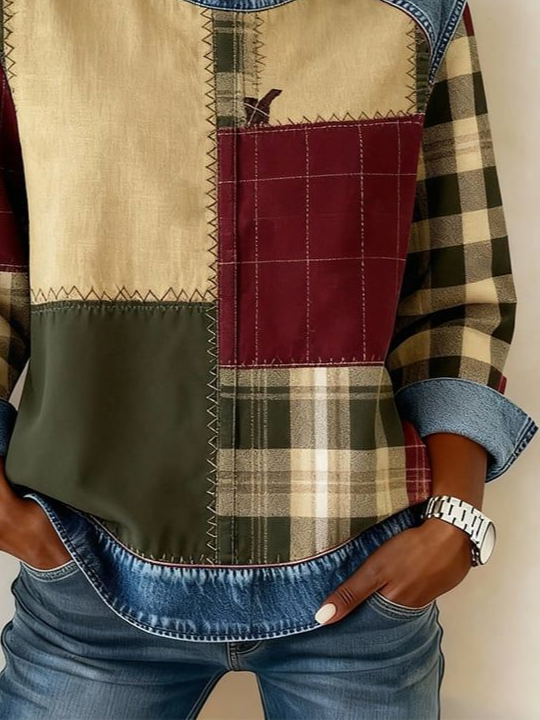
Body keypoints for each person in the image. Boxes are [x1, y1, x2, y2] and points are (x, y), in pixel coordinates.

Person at [0, 0, 537, 717]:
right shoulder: (29, 16)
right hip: (87, 578)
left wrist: (455, 521)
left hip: (363, 582)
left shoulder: (418, 12)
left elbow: (457, 294)